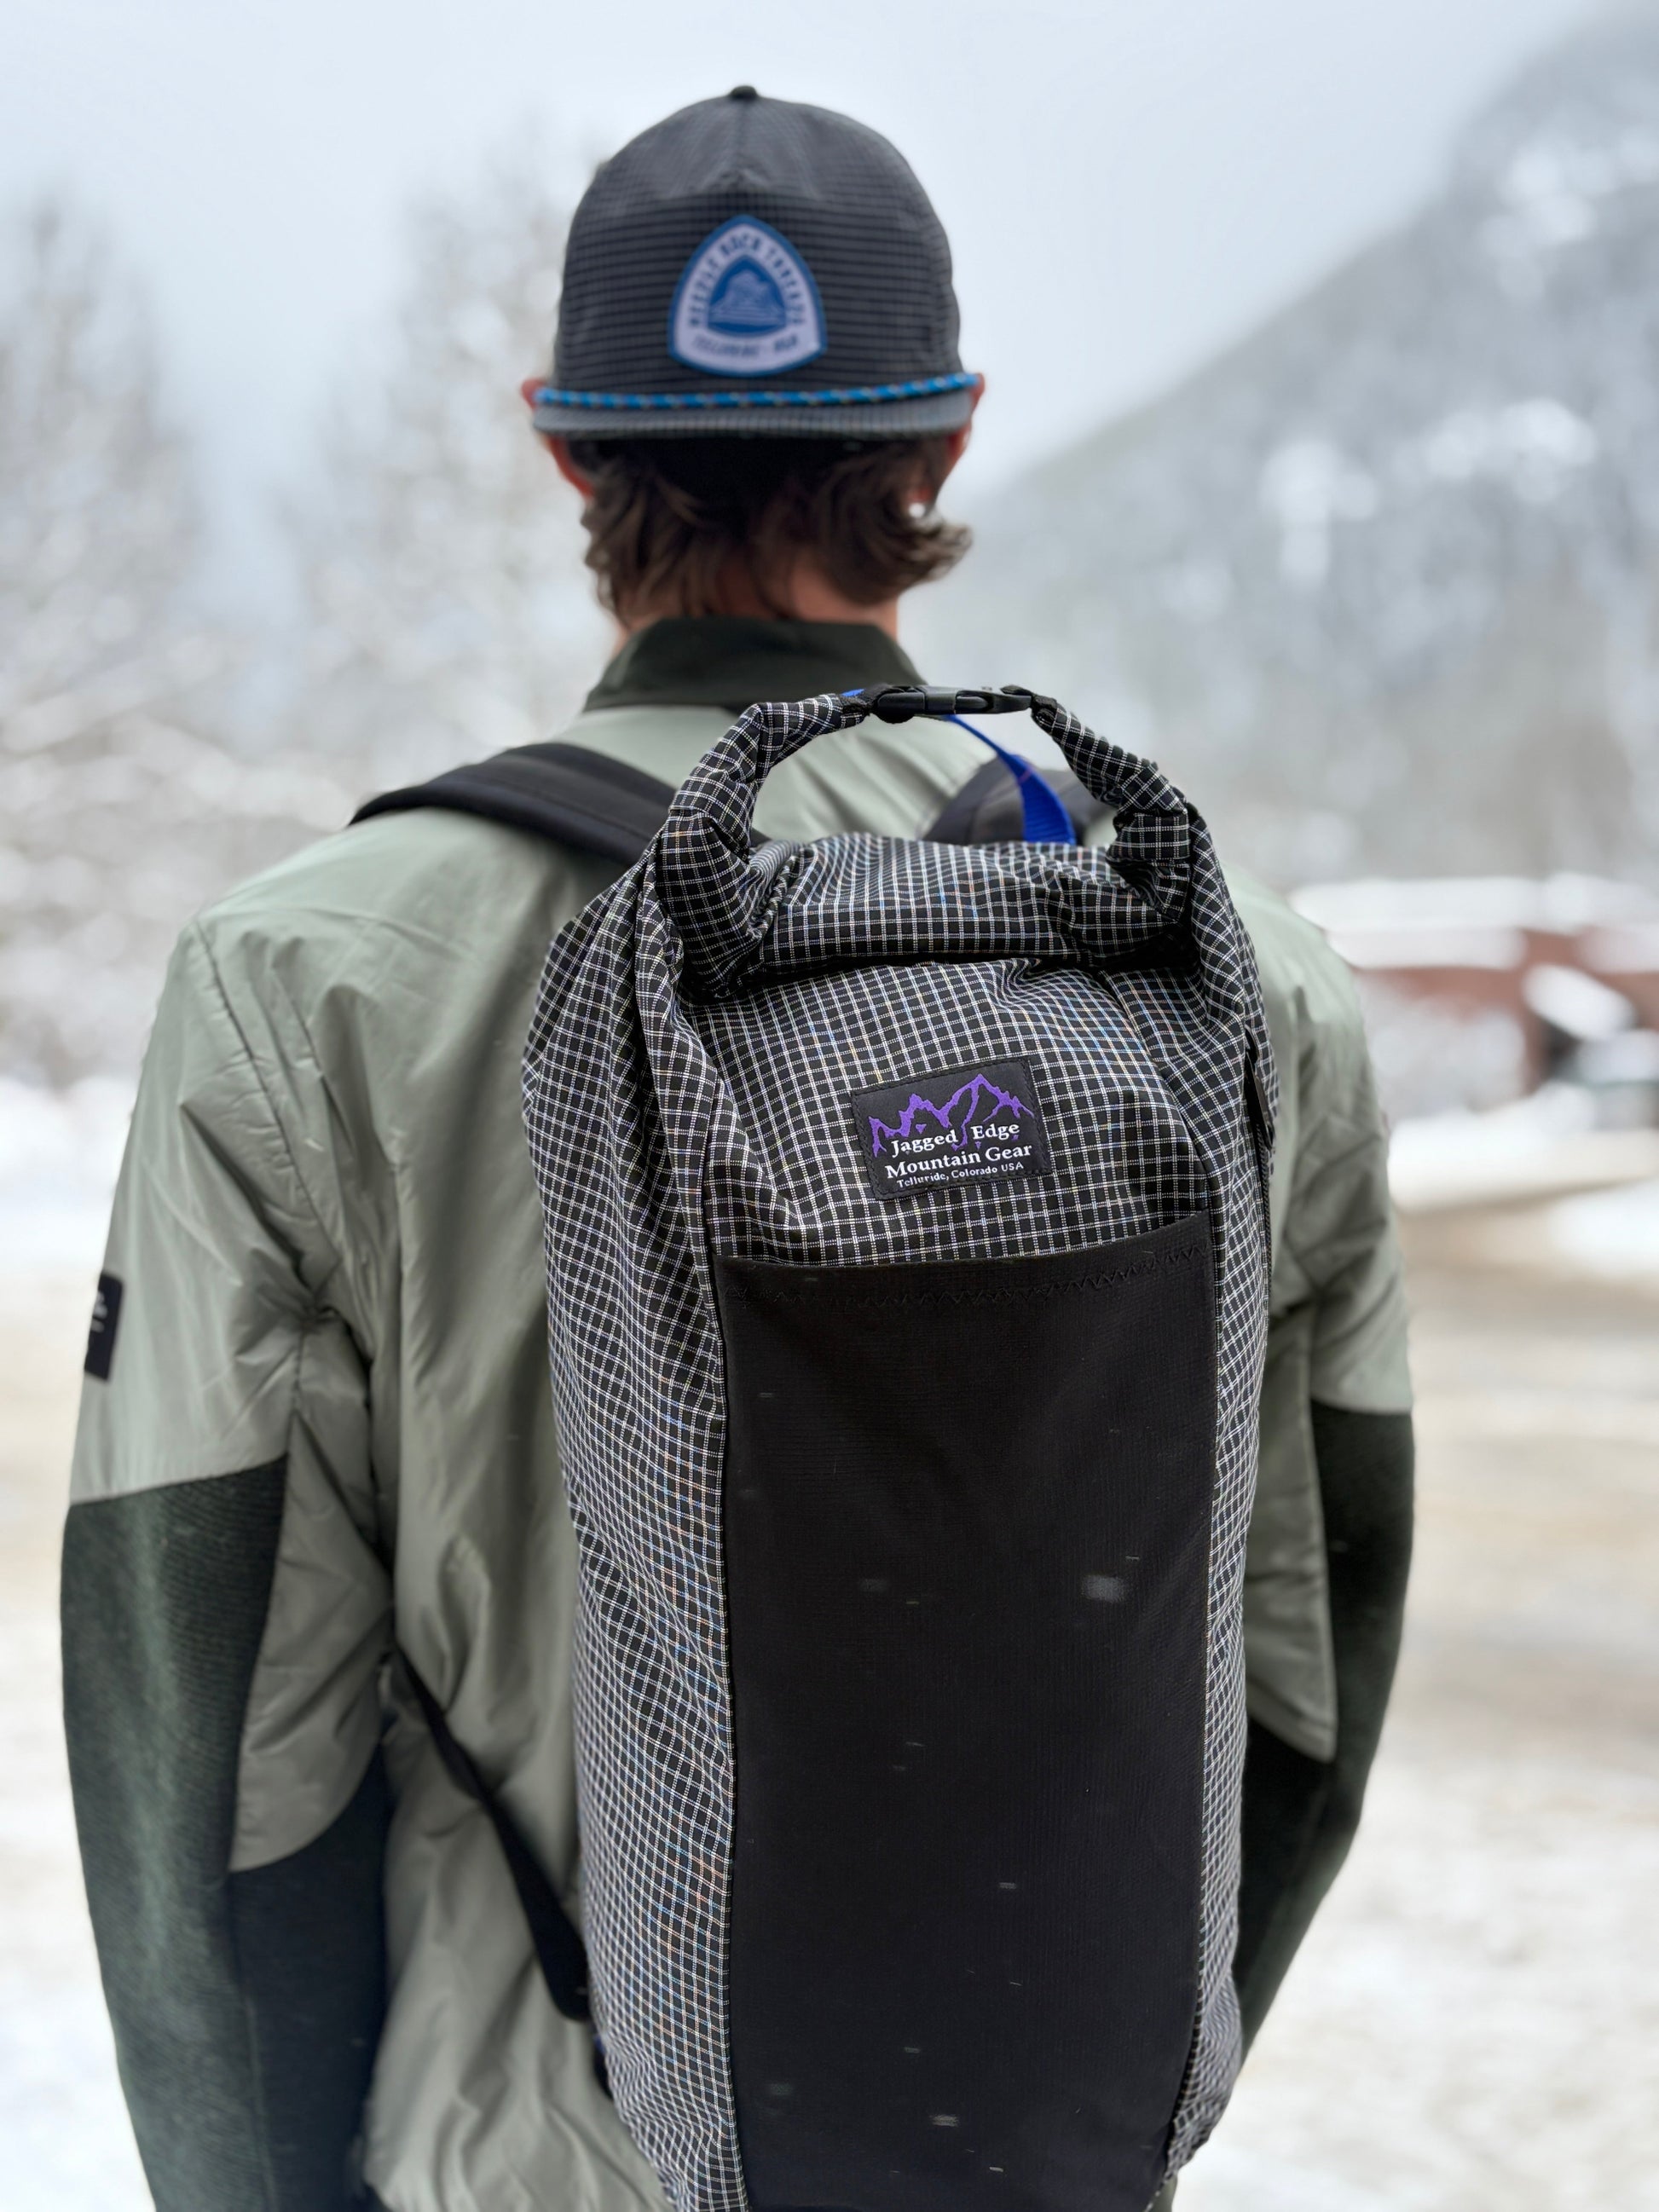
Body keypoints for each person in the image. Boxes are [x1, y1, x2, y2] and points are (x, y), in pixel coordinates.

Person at [62, 88, 1413, 2212]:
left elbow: (222, 1728)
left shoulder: (301, 979)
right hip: (1020, 2152)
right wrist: (1055, 2105)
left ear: (565, 449)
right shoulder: (1233, 980)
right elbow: (1296, 1677)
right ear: (942, 443)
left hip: (505, 2158)